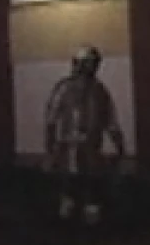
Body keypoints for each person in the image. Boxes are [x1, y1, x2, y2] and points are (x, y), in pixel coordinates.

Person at [44, 45, 126, 227]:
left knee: (92, 187)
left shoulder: (100, 91)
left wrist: (120, 147)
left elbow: (110, 120)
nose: (89, 68)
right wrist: (51, 150)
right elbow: (51, 119)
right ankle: (64, 227)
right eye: (86, 64)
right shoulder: (64, 89)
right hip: (68, 149)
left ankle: (91, 227)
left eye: (92, 64)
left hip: (90, 150)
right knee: (69, 187)